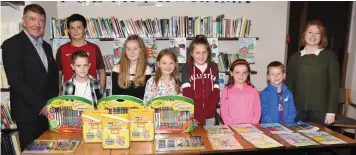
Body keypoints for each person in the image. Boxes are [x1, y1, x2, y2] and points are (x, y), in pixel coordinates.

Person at [1, 4, 59, 151]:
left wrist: (54, 104)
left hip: (48, 115)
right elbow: (16, 82)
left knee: (49, 151)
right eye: (32, 19)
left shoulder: (46, 46)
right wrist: (41, 106)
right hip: (27, 115)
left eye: (41, 20)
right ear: (24, 21)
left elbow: (51, 79)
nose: (37, 24)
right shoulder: (11, 45)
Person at [286, 20, 339, 125]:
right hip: (297, 110)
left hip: (321, 112)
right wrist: (287, 109)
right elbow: (289, 86)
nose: (313, 36)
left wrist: (331, 112)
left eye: (317, 33)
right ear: (304, 34)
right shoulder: (294, 58)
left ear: (322, 37)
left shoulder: (329, 57)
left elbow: (334, 86)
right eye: (310, 32)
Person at [56, 14, 106, 93]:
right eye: (72, 28)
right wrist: (59, 93)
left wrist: (101, 93)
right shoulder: (62, 49)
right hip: (69, 95)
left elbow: (102, 71)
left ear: (85, 29)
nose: (75, 31)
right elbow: (58, 74)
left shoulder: (94, 48)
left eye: (79, 27)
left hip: (91, 94)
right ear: (68, 30)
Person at [181, 35, 220, 127]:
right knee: (195, 138)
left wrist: (208, 110)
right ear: (191, 53)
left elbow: (216, 91)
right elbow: (187, 93)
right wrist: (197, 111)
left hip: (210, 114)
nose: (201, 56)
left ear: (208, 53)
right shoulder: (187, 67)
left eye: (204, 52)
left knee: (210, 138)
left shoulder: (214, 67)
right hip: (193, 114)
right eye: (197, 52)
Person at [220, 59, 261, 125]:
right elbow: (224, 112)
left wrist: (254, 123)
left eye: (244, 72)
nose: (241, 75)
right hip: (232, 126)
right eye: (237, 72)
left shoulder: (253, 90)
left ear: (248, 73)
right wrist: (230, 124)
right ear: (231, 73)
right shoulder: (226, 90)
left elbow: (257, 109)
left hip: (251, 127)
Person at [112, 35, 152, 99]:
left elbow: (147, 97)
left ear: (141, 50)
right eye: (128, 49)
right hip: (122, 107)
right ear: (125, 51)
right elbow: (115, 96)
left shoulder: (147, 70)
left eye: (135, 48)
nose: (131, 52)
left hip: (140, 108)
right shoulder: (117, 69)